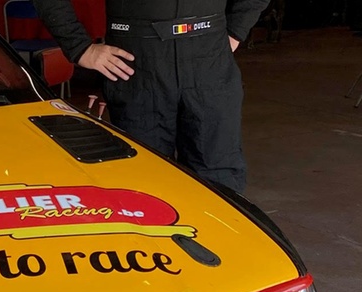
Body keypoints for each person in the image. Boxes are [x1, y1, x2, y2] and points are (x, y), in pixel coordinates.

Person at [30, 0, 270, 193]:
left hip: (209, 61)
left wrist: (237, 28)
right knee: (147, 184)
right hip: (138, 64)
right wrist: (80, 47)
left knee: (218, 181)